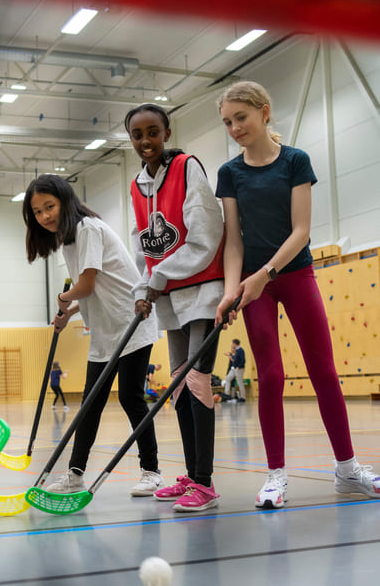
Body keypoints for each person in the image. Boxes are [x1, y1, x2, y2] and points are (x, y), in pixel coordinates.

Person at [215, 80, 380, 509]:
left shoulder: (295, 161)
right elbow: (233, 240)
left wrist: (265, 274)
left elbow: (301, 230)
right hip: (254, 285)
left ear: (264, 112)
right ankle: (275, 476)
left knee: (323, 371)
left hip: (293, 274)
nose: (234, 128)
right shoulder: (229, 174)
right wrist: (233, 290)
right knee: (270, 376)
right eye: (228, 122)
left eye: (241, 118)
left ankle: (347, 469)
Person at [23, 174, 163, 497]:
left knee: (130, 397)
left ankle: (152, 471)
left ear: (65, 201)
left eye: (50, 206)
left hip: (131, 324)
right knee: (90, 405)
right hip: (105, 331)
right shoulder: (68, 239)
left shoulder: (87, 229)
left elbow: (83, 286)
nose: (45, 216)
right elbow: (92, 290)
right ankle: (75, 475)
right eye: (38, 211)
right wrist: (68, 314)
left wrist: (62, 300)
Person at [125, 103, 225, 512]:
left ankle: (204, 482)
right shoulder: (135, 186)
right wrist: (140, 289)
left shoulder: (187, 168)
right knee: (181, 383)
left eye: (153, 132)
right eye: (137, 135)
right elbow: (139, 245)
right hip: (168, 298)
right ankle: (191, 477)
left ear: (166, 131)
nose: (145, 141)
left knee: (199, 382)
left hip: (201, 291)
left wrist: (158, 278)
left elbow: (206, 235)